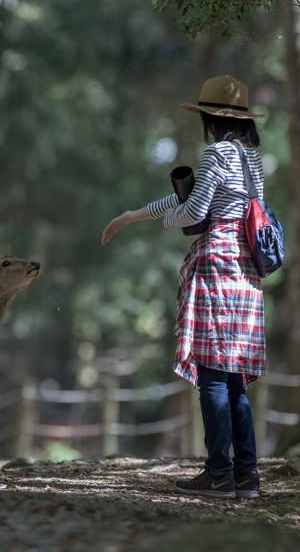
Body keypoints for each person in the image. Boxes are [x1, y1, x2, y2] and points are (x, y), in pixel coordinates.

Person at [101, 74, 266, 499]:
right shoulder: (252, 160)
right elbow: (208, 202)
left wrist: (175, 223)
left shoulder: (215, 152)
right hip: (246, 269)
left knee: (212, 376)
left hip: (216, 266)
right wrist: (133, 214)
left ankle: (216, 474)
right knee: (234, 380)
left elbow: (193, 208)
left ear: (210, 118)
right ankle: (245, 476)